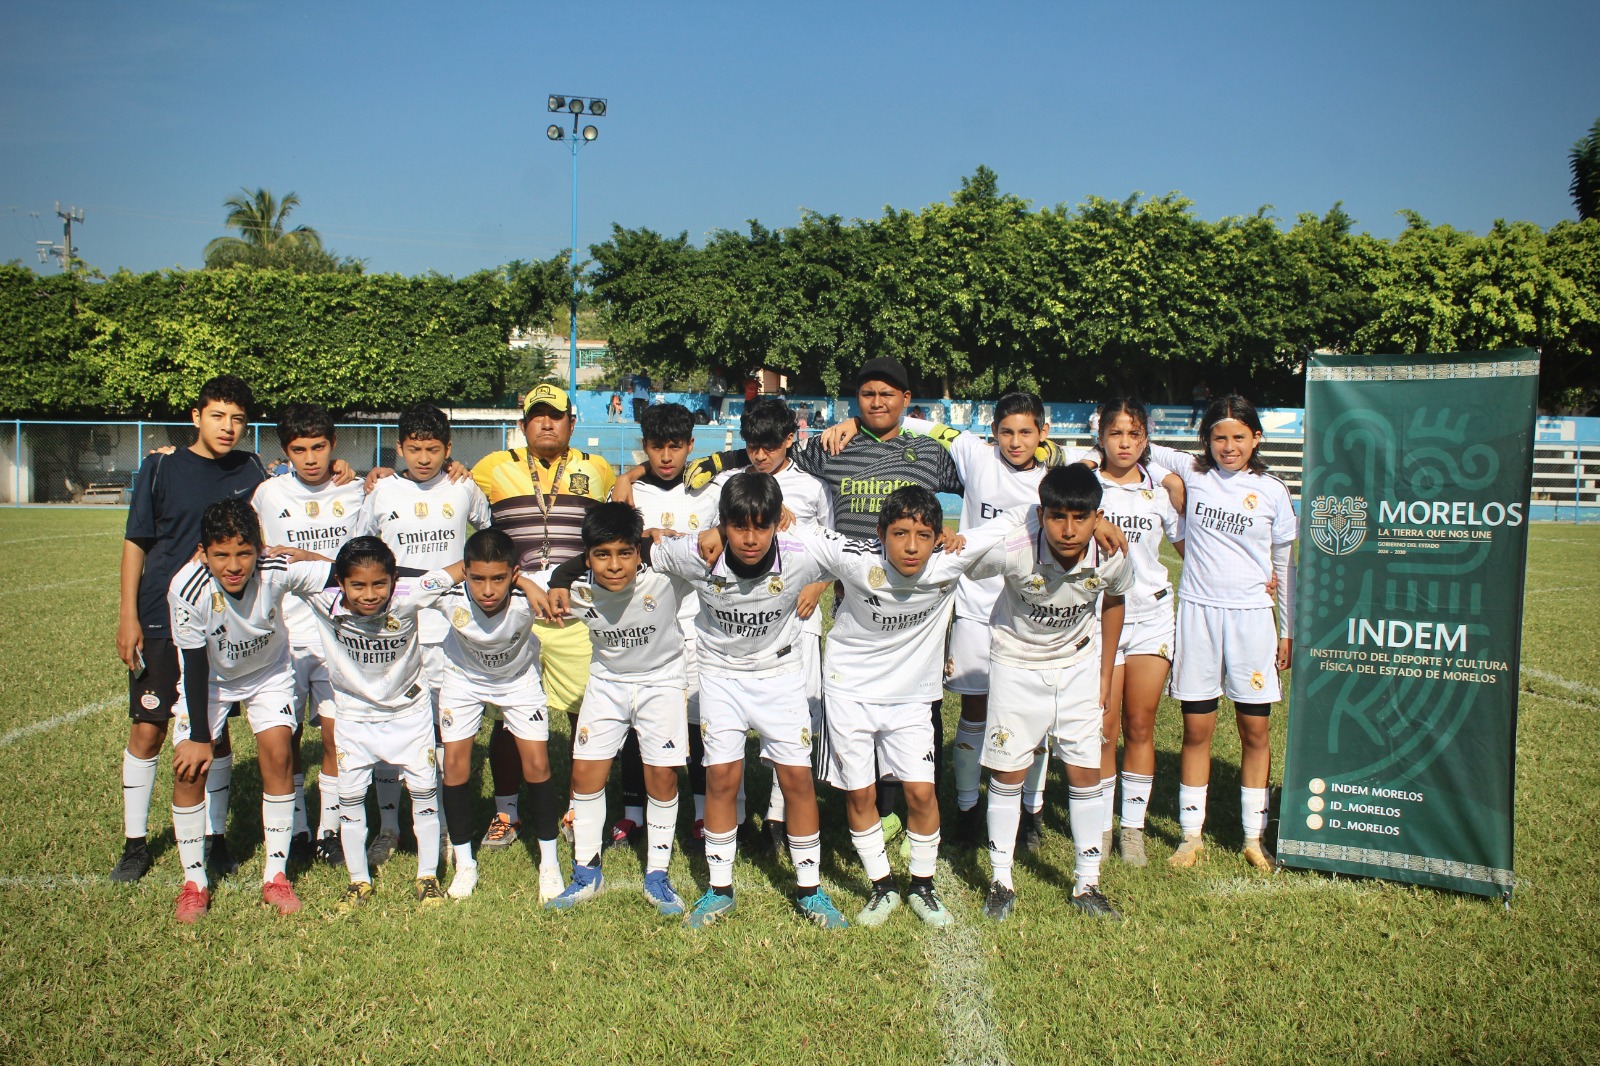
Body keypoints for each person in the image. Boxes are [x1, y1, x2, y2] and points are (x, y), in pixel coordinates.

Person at [776, 486, 1012, 926]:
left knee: (921, 792)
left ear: (939, 536)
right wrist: (776, 507)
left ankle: (923, 885)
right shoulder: (855, 558)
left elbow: (1017, 520)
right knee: (860, 792)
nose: (911, 546)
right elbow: (797, 529)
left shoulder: (950, 559)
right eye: (900, 533)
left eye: (924, 535)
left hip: (912, 698)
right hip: (850, 692)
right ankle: (881, 885)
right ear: (881, 533)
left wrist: (1098, 523)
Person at [638, 473, 847, 929]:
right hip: (720, 676)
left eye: (761, 526)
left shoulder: (803, 550)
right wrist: (648, 533)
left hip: (779, 675)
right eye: (738, 527)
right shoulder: (697, 551)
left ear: (777, 523)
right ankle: (719, 890)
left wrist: (944, 540)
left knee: (797, 779)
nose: (750, 539)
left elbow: (863, 552)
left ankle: (810, 890)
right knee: (721, 778)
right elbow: (635, 550)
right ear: (722, 524)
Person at [112, 374, 268, 883]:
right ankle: (135, 843)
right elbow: (136, 542)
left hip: (222, 621)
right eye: (217, 415)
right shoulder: (160, 467)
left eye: (238, 419)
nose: (227, 427)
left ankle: (215, 837)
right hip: (161, 616)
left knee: (215, 731)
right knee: (149, 728)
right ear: (196, 417)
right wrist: (129, 615)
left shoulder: (252, 469)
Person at [970, 466, 1134, 922]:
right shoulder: (1015, 547)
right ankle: (1001, 880)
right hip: (1016, 663)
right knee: (1008, 773)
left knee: (1084, 771)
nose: (1068, 529)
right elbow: (966, 562)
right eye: (1057, 517)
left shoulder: (1112, 553)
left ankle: (1088, 883)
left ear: (1097, 517)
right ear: (1040, 515)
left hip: (1078, 667)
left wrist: (1104, 672)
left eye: (1080, 518)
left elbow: (1114, 600)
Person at [1146, 395, 1296, 871]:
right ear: (1206, 441)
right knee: (1197, 729)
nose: (1229, 447)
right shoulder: (1193, 472)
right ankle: (1190, 836)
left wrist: (1287, 630)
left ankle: (1254, 836)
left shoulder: (1272, 490)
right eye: (1219, 438)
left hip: (1253, 619)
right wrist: (1172, 480)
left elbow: (1284, 567)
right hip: (1198, 616)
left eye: (1239, 437)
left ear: (1256, 438)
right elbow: (1136, 447)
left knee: (1255, 730)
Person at [471, 383, 616, 848]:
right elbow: (442, 487)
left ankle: (577, 809)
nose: (546, 423)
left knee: (583, 716)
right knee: (506, 717)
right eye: (537, 416)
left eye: (555, 415)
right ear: (523, 425)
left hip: (575, 612)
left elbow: (615, 521)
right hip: (517, 610)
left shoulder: (598, 468)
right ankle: (506, 812)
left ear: (571, 423)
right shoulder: (492, 467)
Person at [165, 499, 319, 920]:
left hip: (268, 673)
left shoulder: (275, 569)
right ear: (203, 552)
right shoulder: (186, 587)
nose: (233, 566)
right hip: (211, 681)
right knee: (189, 768)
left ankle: (276, 876)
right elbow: (194, 665)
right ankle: (194, 883)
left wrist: (306, 554)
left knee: (279, 752)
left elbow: (345, 571)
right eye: (221, 554)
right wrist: (201, 737)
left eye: (244, 553)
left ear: (260, 548)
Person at [354, 403, 492, 869]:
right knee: (390, 724)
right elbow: (358, 548)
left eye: (433, 449)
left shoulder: (463, 486)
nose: (424, 458)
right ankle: (390, 827)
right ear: (399, 448)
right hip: (394, 627)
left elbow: (489, 536)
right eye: (414, 449)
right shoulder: (381, 490)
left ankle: (448, 827)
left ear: (448, 448)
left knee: (445, 729)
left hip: (449, 627)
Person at [540, 503, 696, 916]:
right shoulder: (573, 586)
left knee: (662, 776)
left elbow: (712, 545)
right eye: (602, 555)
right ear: (586, 556)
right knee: (585, 773)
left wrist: (653, 540)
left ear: (638, 551)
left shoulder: (664, 575)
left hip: (662, 681)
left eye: (625, 553)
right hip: (606, 683)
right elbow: (520, 581)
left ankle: (657, 874)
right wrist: (556, 580)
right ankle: (587, 873)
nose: (613, 566)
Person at [284, 537, 454, 911]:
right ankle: (359, 880)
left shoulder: (409, 593)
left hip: (409, 716)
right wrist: (306, 557)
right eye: (358, 585)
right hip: (354, 719)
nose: (370, 594)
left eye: (380, 584)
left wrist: (523, 582)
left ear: (394, 580)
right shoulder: (321, 595)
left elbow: (458, 570)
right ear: (340, 582)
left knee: (424, 795)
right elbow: (266, 569)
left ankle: (427, 877)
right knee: (350, 801)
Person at [414, 529, 563, 900]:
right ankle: (465, 865)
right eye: (477, 578)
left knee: (537, 765)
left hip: (518, 681)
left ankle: (549, 865)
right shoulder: (450, 594)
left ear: (513, 573)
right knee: (455, 766)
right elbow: (416, 589)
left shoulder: (528, 595)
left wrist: (526, 583)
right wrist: (463, 572)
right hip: (463, 680)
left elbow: (570, 579)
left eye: (498, 579)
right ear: (465, 572)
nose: (487, 590)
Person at [252, 403, 366, 866]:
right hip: (286, 638)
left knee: (338, 737)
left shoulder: (357, 489)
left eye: (319, 447)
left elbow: (366, 561)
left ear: (333, 444)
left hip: (340, 633)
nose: (311, 458)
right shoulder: (266, 494)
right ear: (286, 451)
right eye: (299, 450)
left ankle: (329, 830)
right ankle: (297, 829)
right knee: (287, 739)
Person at [608, 404, 719, 851]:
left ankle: (702, 813)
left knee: (698, 723)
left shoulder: (711, 490)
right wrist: (642, 534)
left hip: (697, 625)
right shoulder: (629, 493)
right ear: (645, 446)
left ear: (691, 445)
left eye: (676, 446)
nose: (667, 456)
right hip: (645, 627)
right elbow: (609, 545)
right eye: (657, 447)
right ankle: (633, 812)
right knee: (641, 723)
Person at [1090, 400, 1185, 867]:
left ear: (1146, 439)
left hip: (1152, 616)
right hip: (1101, 616)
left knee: (1141, 725)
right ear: (1101, 438)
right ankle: (1101, 827)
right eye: (1116, 433)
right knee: (1104, 728)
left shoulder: (1160, 491)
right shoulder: (1087, 484)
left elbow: (1191, 550)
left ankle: (1133, 829)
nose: (1125, 443)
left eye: (1134, 434)